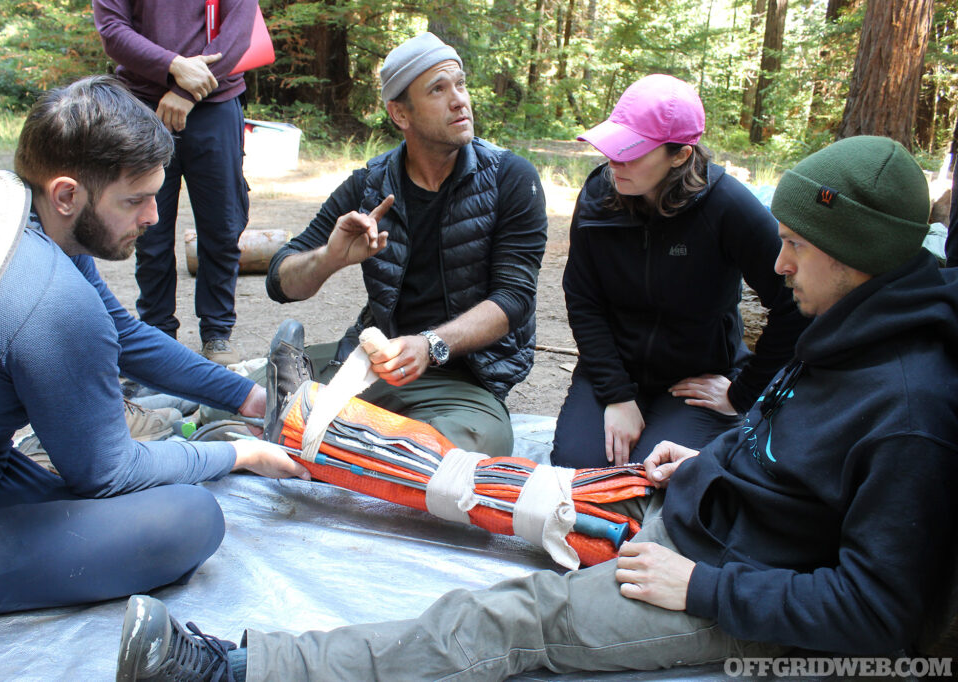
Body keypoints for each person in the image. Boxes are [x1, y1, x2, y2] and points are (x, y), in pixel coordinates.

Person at [114, 135, 958, 681]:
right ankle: (288, 418)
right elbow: (793, 453)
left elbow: (879, 610)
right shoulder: (848, 324)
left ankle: (238, 669)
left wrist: (701, 587)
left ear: (858, 257)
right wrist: (710, 461)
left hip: (735, 579)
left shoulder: (913, 404)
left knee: (506, 618)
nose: (776, 265)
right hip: (703, 511)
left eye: (798, 247)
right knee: (499, 485)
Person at [0, 76, 309, 624]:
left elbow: (124, 336)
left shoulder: (20, 211)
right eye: (135, 200)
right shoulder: (51, 298)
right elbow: (107, 473)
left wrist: (248, 397)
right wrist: (242, 454)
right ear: (68, 193)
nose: (154, 217)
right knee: (188, 517)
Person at [264, 33, 548, 458]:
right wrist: (328, 259)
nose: (459, 100)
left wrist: (431, 345)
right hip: (376, 363)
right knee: (243, 394)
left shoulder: (511, 178)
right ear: (400, 113)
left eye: (460, 84)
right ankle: (330, 425)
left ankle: (316, 423)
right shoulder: (368, 186)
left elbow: (514, 299)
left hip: (464, 378)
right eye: (438, 89)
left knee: (474, 448)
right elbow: (280, 281)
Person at [551, 74, 808, 469]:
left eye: (631, 152)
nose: (614, 162)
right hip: (612, 369)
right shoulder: (599, 196)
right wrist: (617, 395)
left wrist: (743, 392)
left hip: (694, 380)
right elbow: (583, 298)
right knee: (577, 469)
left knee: (654, 474)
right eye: (612, 147)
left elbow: (794, 300)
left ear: (681, 155)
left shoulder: (727, 206)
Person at [93, 0, 258, 365]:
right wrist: (174, 67)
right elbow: (113, 31)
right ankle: (156, 335)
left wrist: (186, 92)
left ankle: (217, 333)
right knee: (146, 229)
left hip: (216, 103)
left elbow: (239, 31)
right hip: (141, 105)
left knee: (222, 226)